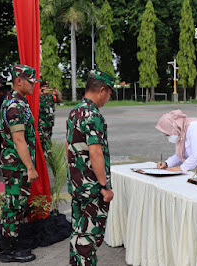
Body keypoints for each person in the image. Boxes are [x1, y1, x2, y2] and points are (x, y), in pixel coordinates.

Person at [66, 70, 115, 265]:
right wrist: (104, 186)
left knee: (79, 231)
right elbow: (95, 152)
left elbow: (70, 148)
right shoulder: (93, 115)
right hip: (91, 188)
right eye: (109, 93)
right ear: (102, 90)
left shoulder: (75, 111)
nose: (109, 98)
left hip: (78, 184)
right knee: (89, 236)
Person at [0, 64, 40, 263]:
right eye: (31, 82)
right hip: (15, 165)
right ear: (19, 81)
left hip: (16, 163)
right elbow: (19, 140)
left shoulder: (18, 102)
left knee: (18, 204)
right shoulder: (14, 105)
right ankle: (7, 251)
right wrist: (30, 167)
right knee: (14, 206)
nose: (34, 86)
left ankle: (13, 244)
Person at [38, 80, 62, 153]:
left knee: (48, 137)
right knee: (42, 139)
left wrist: (57, 94)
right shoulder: (38, 97)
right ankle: (46, 154)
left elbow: (59, 101)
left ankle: (47, 154)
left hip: (49, 122)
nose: (45, 88)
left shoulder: (50, 96)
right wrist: (40, 93)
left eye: (46, 87)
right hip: (41, 122)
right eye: (43, 87)